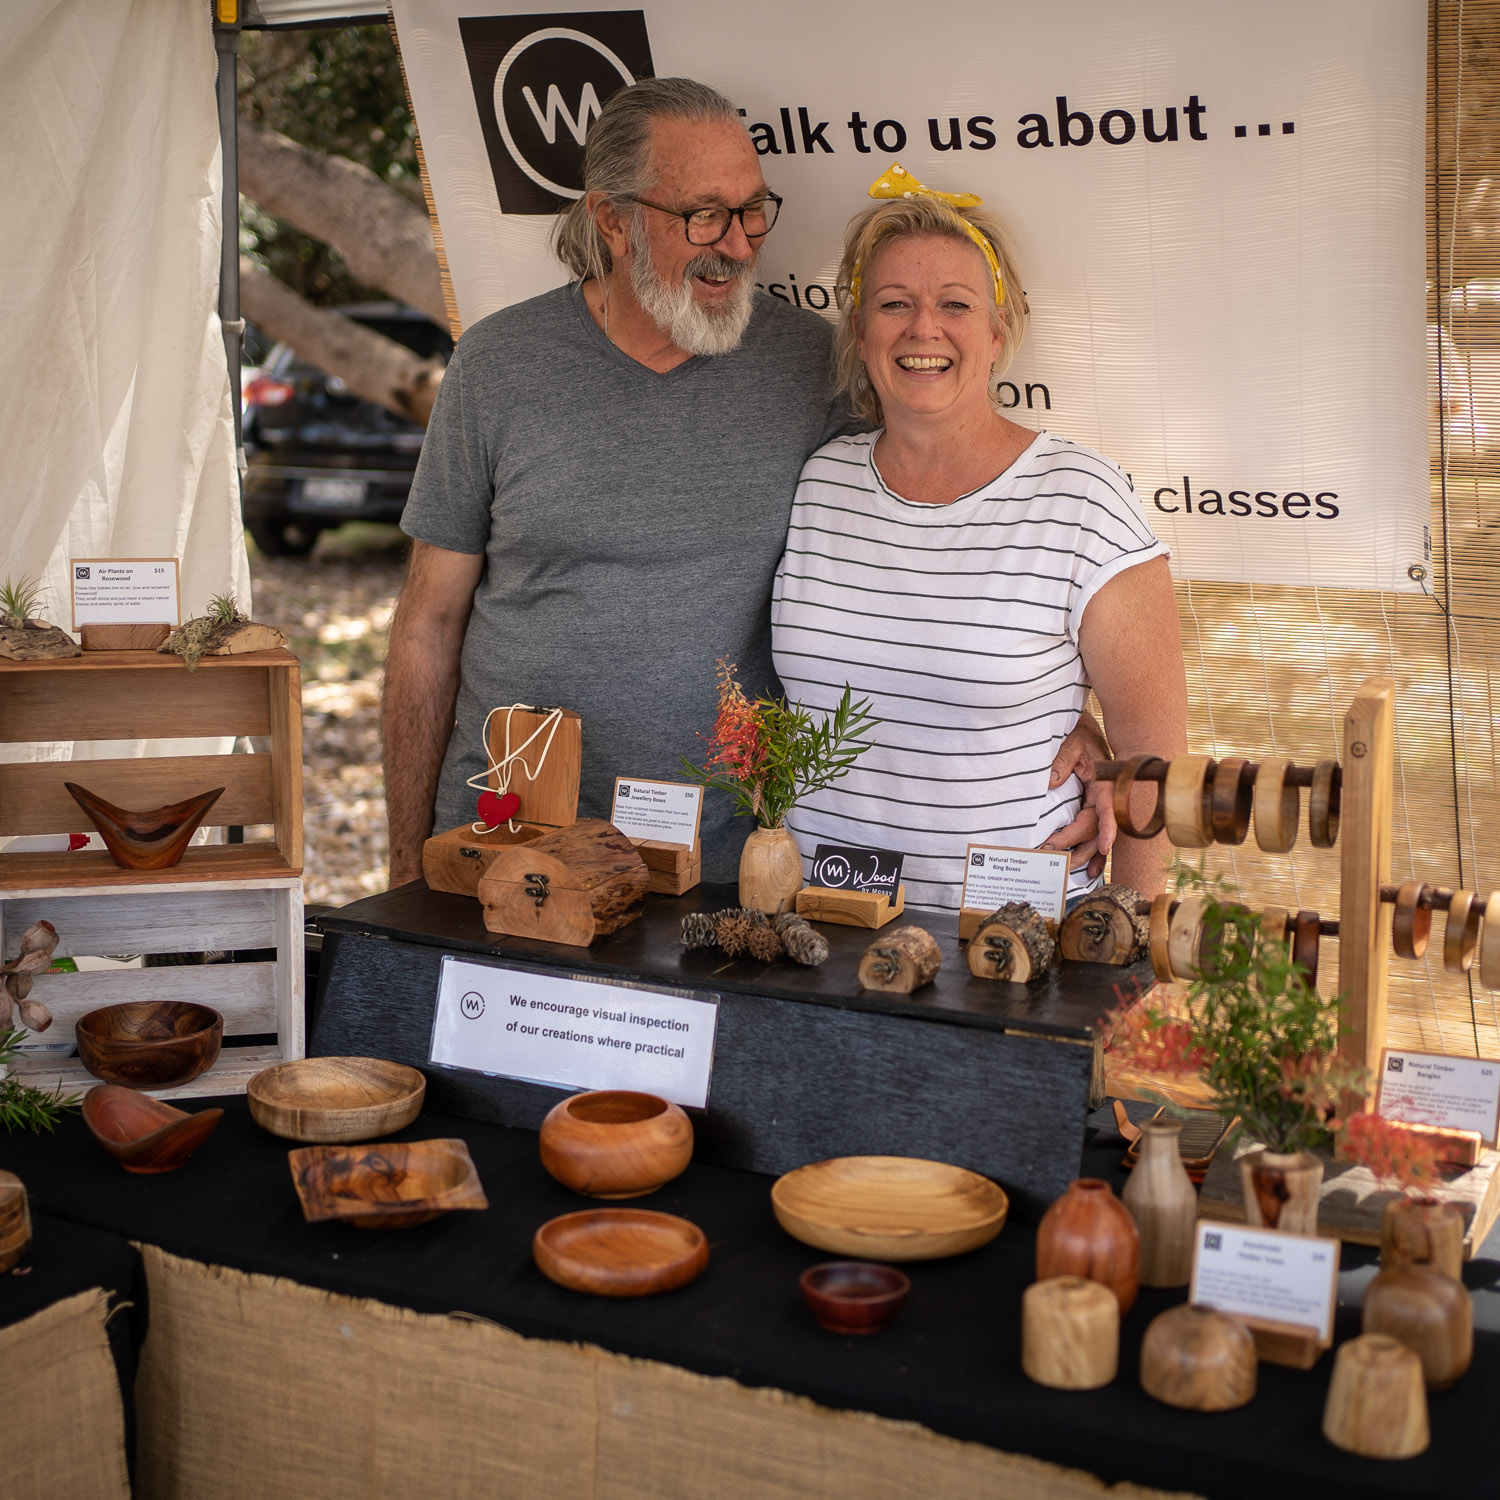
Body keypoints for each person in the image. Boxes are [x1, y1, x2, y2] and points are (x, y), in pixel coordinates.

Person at [384, 84, 1110, 888]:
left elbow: (924, 550)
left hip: (725, 867)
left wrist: (1061, 714)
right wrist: (404, 861)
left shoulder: (814, 367)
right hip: (504, 839)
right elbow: (427, 624)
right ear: (613, 220)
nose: (735, 245)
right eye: (702, 215)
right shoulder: (498, 366)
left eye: (751, 210)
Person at [771, 166, 1188, 907]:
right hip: (823, 927)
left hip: (1007, 942)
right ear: (862, 335)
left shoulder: (1082, 499)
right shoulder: (817, 483)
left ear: (998, 333)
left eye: (954, 305)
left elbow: (1157, 769)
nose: (923, 328)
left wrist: (1128, 967)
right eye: (894, 304)